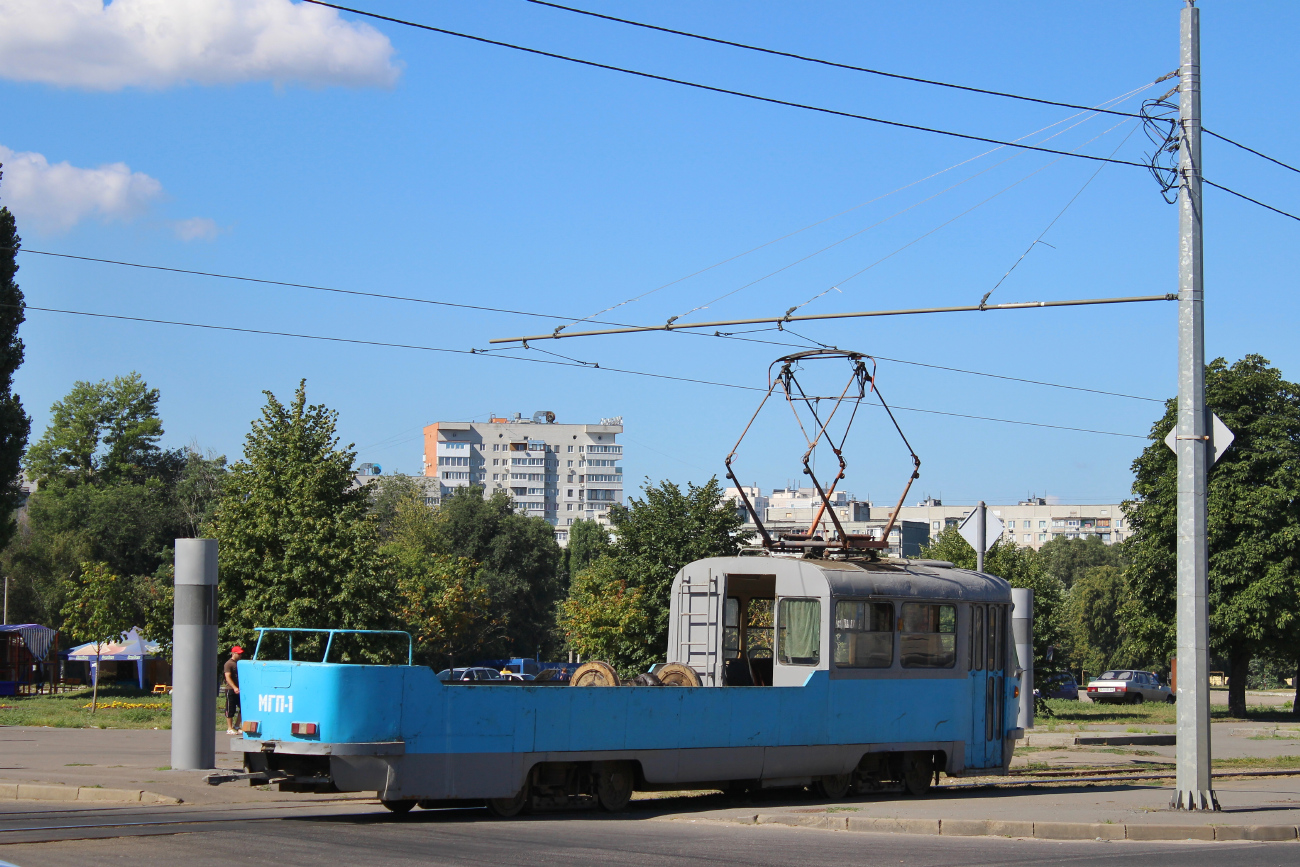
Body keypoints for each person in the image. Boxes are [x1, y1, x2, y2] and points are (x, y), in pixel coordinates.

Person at [223, 646, 244, 735]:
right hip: (230, 689)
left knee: (243, 708)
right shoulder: (228, 664)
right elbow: (227, 677)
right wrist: (234, 687)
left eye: (240, 654)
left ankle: (237, 726)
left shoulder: (239, 663)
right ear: (233, 653)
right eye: (238, 654)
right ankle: (229, 728)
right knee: (230, 708)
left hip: (239, 690)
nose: (240, 655)